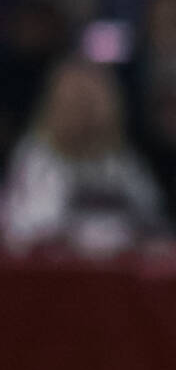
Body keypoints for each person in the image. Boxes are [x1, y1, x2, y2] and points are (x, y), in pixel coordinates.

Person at [3, 57, 167, 254]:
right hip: (55, 276)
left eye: (91, 100)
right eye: (74, 100)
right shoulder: (37, 157)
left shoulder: (121, 161)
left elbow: (154, 223)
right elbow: (28, 234)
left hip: (117, 275)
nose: (83, 111)